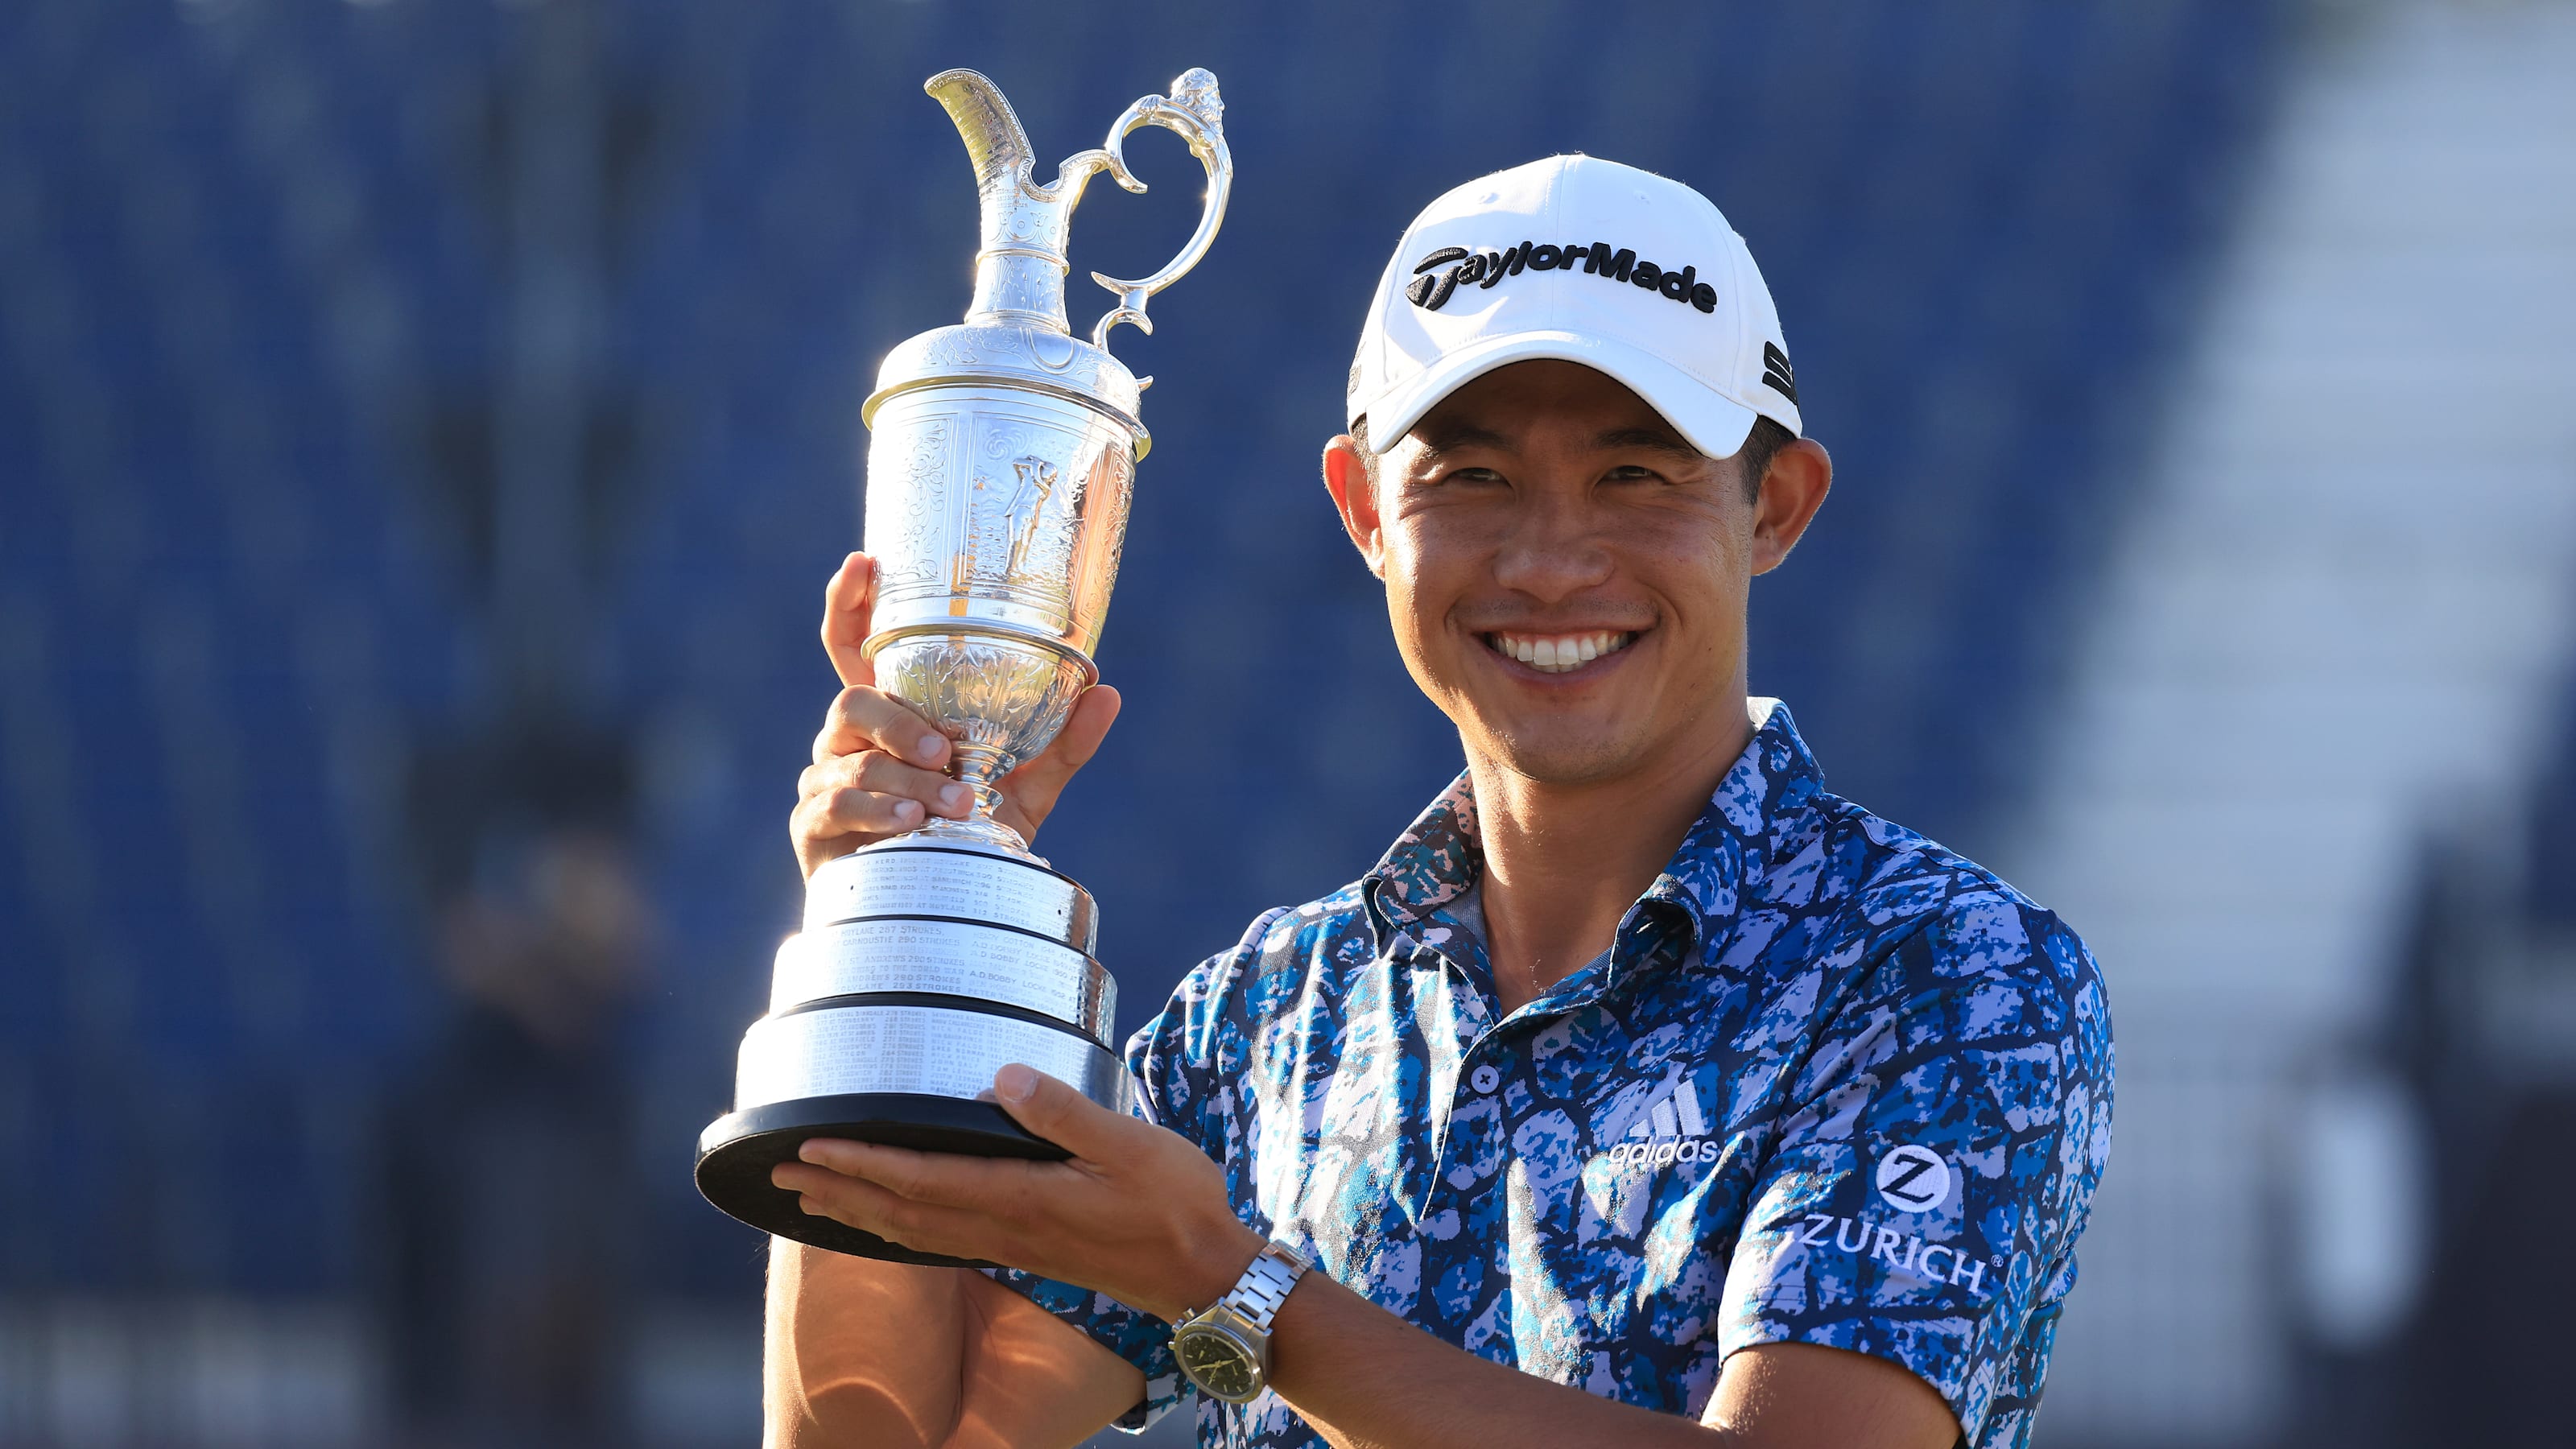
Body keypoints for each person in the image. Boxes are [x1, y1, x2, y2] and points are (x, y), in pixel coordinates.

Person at [766, 155, 2113, 1449]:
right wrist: (895, 910)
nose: (1550, 560)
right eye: (1472, 478)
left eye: (1636, 475)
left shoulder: (1946, 973)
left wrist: (1239, 1293)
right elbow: (889, 1438)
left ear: (1777, 507)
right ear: (1365, 511)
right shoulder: (1271, 1014)